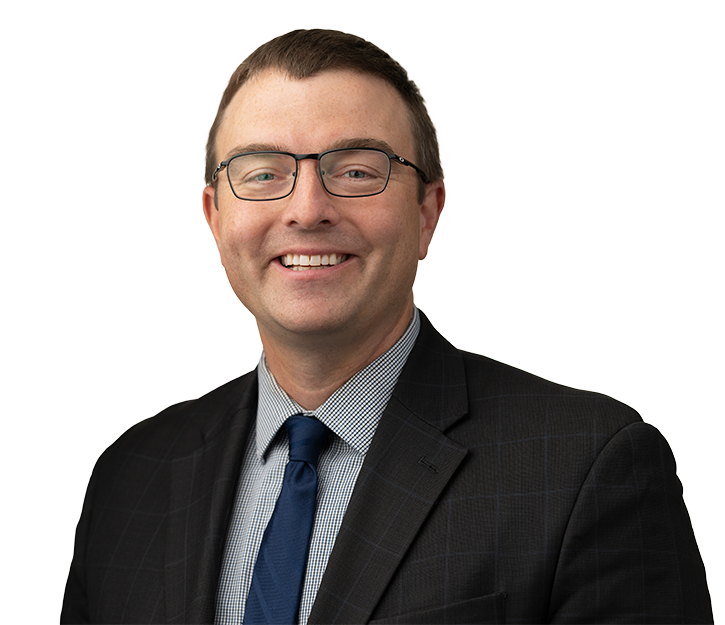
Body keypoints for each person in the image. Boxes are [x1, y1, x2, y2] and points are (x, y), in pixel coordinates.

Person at [61, 28, 713, 624]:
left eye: (356, 171)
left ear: (428, 212)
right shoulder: (129, 476)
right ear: (214, 217)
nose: (307, 209)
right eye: (262, 173)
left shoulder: (586, 465)